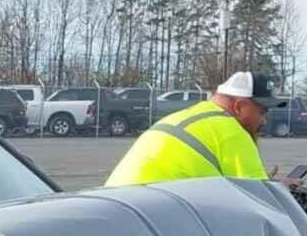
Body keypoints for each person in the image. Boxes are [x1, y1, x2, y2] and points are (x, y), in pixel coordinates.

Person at [103, 71, 284, 187]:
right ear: (239, 107)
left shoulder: (186, 117)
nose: (264, 120)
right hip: (149, 219)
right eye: (262, 111)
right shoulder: (232, 131)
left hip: (118, 208)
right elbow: (260, 201)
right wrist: (280, 191)